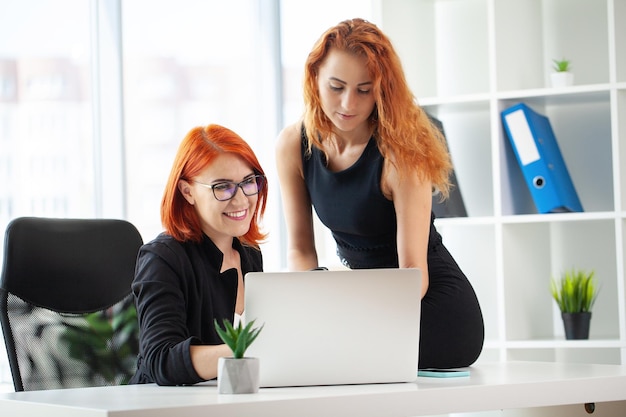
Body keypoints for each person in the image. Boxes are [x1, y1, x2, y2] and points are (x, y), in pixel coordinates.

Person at [275, 18, 484, 369]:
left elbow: (413, 273)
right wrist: (309, 309)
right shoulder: (293, 145)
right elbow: (300, 248)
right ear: (314, 78)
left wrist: (356, 318)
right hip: (368, 307)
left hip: (430, 308)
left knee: (329, 355)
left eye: (364, 89)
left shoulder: (400, 155)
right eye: (336, 86)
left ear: (382, 88)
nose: (348, 103)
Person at [130, 124, 268, 385]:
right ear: (187, 191)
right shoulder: (162, 258)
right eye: (222, 187)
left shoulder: (249, 253)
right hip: (164, 407)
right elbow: (161, 359)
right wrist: (246, 352)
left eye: (248, 182)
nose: (240, 200)